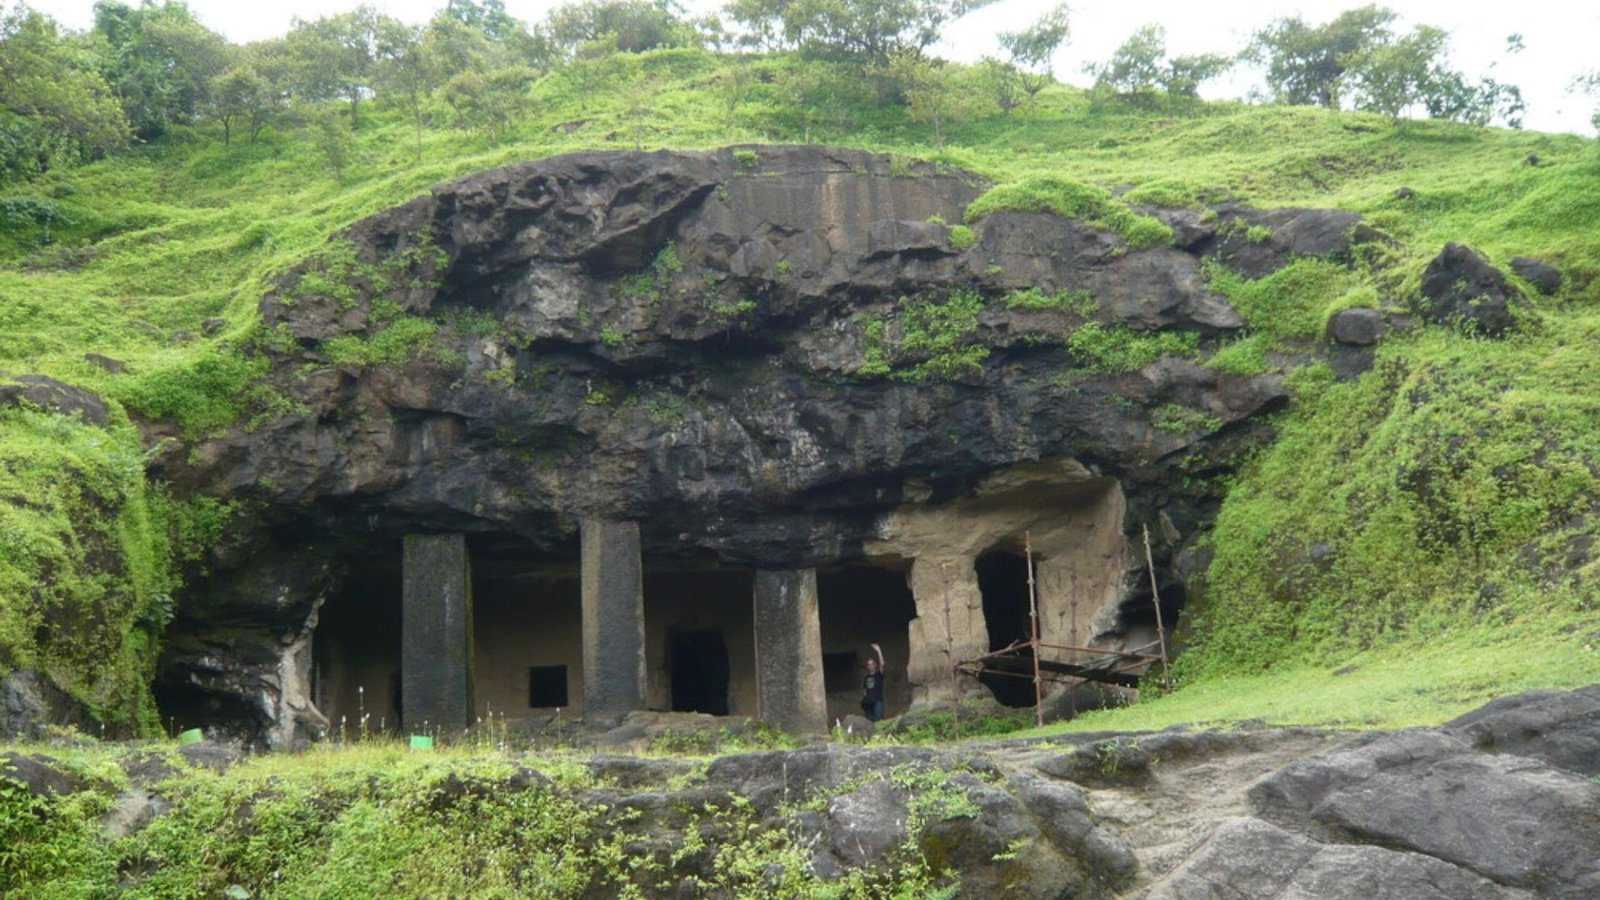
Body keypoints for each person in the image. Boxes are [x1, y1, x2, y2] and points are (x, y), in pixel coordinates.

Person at [860, 642, 886, 722]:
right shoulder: (866, 678)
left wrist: (878, 650)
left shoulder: (879, 675)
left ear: (875, 665)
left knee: (879, 722)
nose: (871, 666)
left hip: (877, 701)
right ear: (867, 667)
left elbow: (882, 664)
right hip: (869, 703)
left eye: (872, 664)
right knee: (870, 723)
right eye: (869, 664)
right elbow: (865, 691)